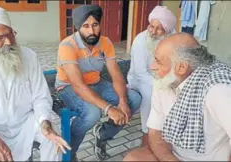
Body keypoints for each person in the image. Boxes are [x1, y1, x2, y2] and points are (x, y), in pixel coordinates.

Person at [0, 7, 71, 161]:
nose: (8, 42)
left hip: (26, 122)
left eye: (10, 34)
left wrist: (44, 122)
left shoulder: (29, 56)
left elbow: (40, 96)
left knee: (52, 135)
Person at [123, 33, 231, 161]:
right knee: (133, 159)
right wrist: (169, 159)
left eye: (158, 61)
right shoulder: (164, 81)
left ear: (181, 67)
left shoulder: (218, 89)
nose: (152, 67)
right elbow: (155, 132)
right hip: (173, 156)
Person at [55, 4, 142, 161]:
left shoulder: (105, 43)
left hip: (96, 84)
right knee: (92, 113)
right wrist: (109, 109)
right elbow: (78, 86)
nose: (91, 31)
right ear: (77, 27)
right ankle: (69, 153)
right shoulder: (67, 45)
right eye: (86, 26)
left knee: (134, 99)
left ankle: (103, 134)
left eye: (95, 25)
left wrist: (122, 101)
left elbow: (116, 75)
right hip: (68, 88)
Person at [127, 6, 176, 145]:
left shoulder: (173, 38)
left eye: (159, 28)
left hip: (164, 77)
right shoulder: (140, 40)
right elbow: (141, 73)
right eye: (151, 26)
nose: (153, 31)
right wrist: (163, 83)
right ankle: (147, 130)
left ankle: (169, 129)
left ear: (167, 30)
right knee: (151, 94)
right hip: (140, 79)